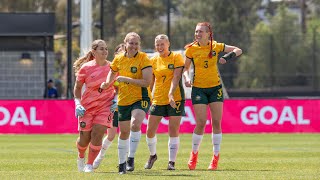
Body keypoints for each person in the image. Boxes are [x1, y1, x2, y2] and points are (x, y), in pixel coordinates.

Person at [183, 22, 242, 171]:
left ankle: (215, 157)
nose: (197, 34)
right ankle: (194, 153)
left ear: (209, 33)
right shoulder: (191, 49)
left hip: (215, 88)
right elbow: (185, 68)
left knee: (216, 122)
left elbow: (238, 50)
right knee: (201, 122)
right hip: (198, 89)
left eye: (200, 32)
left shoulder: (216, 46)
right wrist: (186, 78)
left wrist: (226, 58)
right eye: (196, 32)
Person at [100, 32, 152, 174]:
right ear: (125, 43)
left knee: (135, 124)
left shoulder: (143, 58)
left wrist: (126, 79)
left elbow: (147, 82)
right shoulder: (118, 59)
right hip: (123, 100)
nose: (134, 46)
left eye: (136, 43)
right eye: (131, 43)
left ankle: (131, 158)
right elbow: (112, 72)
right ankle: (121, 164)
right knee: (123, 133)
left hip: (141, 98)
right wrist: (107, 82)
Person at [73, 39, 115, 173]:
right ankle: (80, 156)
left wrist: (117, 101)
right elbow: (77, 87)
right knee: (84, 140)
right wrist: (77, 103)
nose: (105, 51)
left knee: (98, 133)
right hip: (87, 108)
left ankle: (89, 164)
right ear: (94, 52)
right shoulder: (86, 68)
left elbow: (119, 87)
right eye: (101, 49)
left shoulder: (113, 68)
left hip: (105, 106)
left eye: (106, 48)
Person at [144, 34, 185, 170]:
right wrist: (148, 95)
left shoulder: (177, 57)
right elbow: (151, 80)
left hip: (175, 98)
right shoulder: (153, 60)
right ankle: (153, 155)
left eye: (162, 44)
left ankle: (171, 162)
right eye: (157, 44)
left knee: (173, 130)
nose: (160, 47)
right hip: (158, 98)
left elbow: (177, 76)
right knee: (150, 131)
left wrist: (171, 93)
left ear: (168, 44)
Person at [92, 43, 126, 170]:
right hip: (113, 104)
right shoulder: (112, 68)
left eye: (124, 52)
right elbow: (109, 86)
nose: (122, 55)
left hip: (126, 103)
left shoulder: (130, 68)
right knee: (111, 135)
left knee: (125, 133)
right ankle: (98, 158)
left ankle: (124, 162)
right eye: (120, 52)